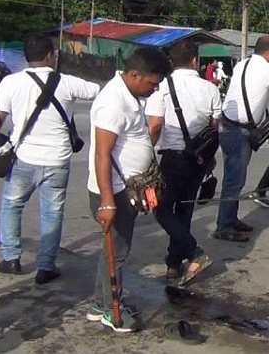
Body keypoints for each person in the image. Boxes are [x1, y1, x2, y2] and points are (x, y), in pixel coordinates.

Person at [0, 35, 99, 284]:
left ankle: (11, 258)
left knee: (12, 205)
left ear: (26, 57)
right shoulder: (67, 83)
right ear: (51, 56)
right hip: (57, 160)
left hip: (23, 158)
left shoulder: (10, 83)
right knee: (52, 214)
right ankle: (46, 266)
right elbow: (98, 92)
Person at [86, 47, 170, 332]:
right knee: (116, 254)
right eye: (152, 83)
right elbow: (102, 154)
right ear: (134, 74)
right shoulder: (113, 103)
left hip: (125, 190)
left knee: (114, 251)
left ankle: (102, 303)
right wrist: (108, 202)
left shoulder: (130, 95)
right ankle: (112, 310)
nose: (155, 88)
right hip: (115, 192)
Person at [146, 40, 219, 285]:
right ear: (195, 61)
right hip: (198, 159)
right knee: (184, 209)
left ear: (170, 62)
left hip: (172, 158)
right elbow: (215, 126)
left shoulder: (161, 87)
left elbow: (155, 125)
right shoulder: (210, 89)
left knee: (162, 209)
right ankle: (173, 264)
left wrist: (148, 156)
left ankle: (192, 253)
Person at [214, 35, 269, 241]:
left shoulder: (243, 64)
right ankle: (224, 226)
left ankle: (230, 219)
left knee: (233, 179)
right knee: (234, 180)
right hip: (238, 131)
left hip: (228, 126)